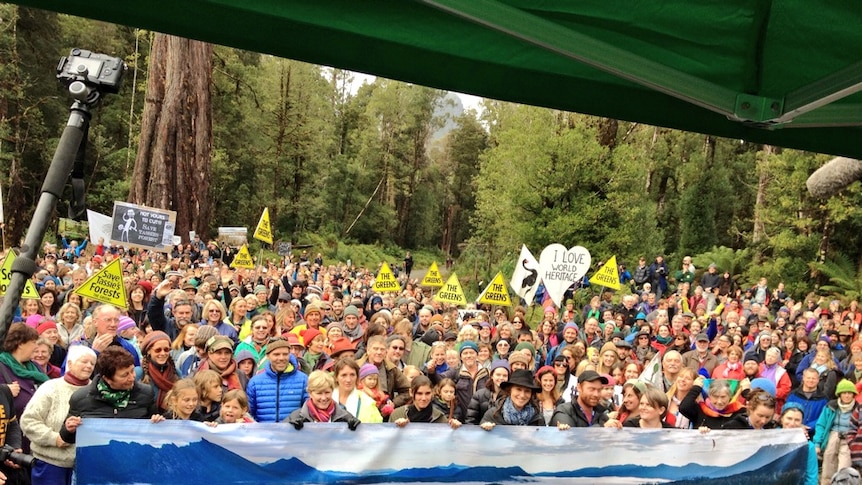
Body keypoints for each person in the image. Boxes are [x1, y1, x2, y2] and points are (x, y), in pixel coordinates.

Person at [20, 346, 96, 485]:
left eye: (92, 363)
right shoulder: (51, 387)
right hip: (50, 465)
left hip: (85, 468)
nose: (88, 366)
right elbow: (28, 421)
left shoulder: (96, 392)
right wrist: (55, 439)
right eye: (84, 361)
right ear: (70, 363)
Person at [60, 347, 157, 445]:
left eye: (132, 371)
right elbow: (67, 437)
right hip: (98, 455)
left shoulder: (145, 393)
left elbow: (154, 433)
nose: (132, 378)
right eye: (124, 375)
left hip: (133, 454)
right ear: (107, 379)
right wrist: (69, 429)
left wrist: (158, 422)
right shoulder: (81, 398)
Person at [246, 337, 308, 422]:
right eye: (276, 354)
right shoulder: (255, 383)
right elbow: (249, 415)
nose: (281, 358)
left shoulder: (303, 380)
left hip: (293, 433)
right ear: (268, 356)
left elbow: (308, 412)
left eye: (285, 354)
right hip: (263, 434)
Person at [815, 380, 859, 484]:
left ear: (853, 394)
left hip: (849, 438)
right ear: (839, 394)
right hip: (832, 436)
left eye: (850, 393)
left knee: (844, 467)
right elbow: (821, 424)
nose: (847, 396)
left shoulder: (858, 408)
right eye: (844, 393)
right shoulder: (831, 406)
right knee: (827, 467)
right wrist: (817, 443)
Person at [287, 371, 360, 430]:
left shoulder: (345, 417)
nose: (324, 398)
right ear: (310, 393)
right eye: (319, 393)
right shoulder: (296, 417)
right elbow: (281, 439)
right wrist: (290, 428)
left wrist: (356, 426)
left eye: (327, 392)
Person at [479, 369, 545, 429]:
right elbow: (480, 439)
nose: (522, 395)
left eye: (527, 391)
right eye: (518, 389)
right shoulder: (493, 415)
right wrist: (485, 428)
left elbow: (543, 440)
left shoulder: (537, 418)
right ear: (510, 390)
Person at [680, 377, 746, 430]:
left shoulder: (739, 412)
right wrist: (696, 388)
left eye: (723, 397)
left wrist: (746, 392)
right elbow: (684, 407)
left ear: (729, 396)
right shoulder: (700, 410)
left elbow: (754, 413)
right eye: (715, 397)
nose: (719, 401)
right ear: (709, 396)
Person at [331, 358, 382, 424]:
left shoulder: (368, 403)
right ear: (336, 378)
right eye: (344, 375)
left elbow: (376, 430)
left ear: (357, 377)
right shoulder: (325, 399)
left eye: (352, 375)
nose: (348, 380)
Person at [139, 331, 178, 413]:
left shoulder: (176, 373)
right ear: (149, 351)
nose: (163, 353)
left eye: (166, 350)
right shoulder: (139, 373)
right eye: (158, 350)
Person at [779, 404, 819, 485]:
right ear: (782, 419)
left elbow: (811, 477)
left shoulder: (808, 446)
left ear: (802, 422)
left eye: (797, 420)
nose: (792, 423)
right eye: (789, 418)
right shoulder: (771, 439)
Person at [467, 360, 509, 425]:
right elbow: (471, 419)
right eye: (498, 375)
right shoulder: (479, 395)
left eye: (505, 376)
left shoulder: (509, 397)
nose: (501, 378)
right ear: (492, 376)